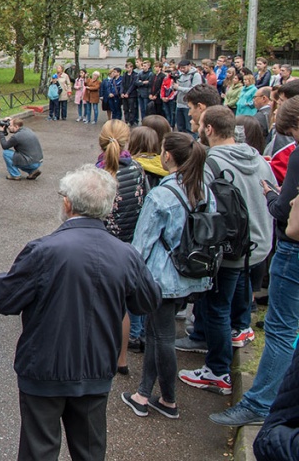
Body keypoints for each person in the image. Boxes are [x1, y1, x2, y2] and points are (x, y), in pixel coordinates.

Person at [0, 165, 160, 461]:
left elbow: (4, 298)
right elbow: (148, 300)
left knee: (38, 451)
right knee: (91, 450)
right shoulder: (125, 254)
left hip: (44, 368)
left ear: (68, 204)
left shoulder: (44, 250)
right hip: (96, 368)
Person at [211, 97, 299, 427]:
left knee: (280, 331)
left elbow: (284, 212)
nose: (290, 139)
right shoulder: (261, 158)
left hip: (291, 251)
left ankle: (260, 403)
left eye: (290, 131)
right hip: (266, 248)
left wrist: (272, 196)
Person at [176, 106, 275, 395]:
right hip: (258, 243)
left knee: (217, 305)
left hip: (232, 247)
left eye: (199, 124)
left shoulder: (210, 163)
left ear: (209, 129)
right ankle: (240, 327)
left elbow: (200, 205)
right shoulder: (255, 156)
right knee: (239, 286)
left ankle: (217, 371)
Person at [124, 132, 214, 420]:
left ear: (169, 156)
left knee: (162, 337)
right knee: (155, 333)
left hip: (162, 278)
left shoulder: (161, 195)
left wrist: (130, 279)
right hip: (191, 274)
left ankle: (169, 399)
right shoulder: (203, 189)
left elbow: (141, 244)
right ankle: (142, 393)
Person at [96, 120, 146, 376]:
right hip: (129, 245)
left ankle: (96, 354)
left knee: (97, 303)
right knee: (121, 305)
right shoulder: (138, 169)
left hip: (101, 245)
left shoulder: (97, 173)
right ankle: (121, 359)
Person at [0, 116, 43, 181]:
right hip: (38, 161)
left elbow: (4, 146)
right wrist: (9, 120)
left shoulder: (17, 137)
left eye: (10, 126)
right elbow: (15, 122)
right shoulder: (27, 130)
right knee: (22, 157)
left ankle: (15, 175)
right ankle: (32, 171)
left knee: (6, 153)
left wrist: (1, 132)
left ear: (16, 127)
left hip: (30, 162)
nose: (8, 127)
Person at [173, 60, 203, 132]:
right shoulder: (180, 75)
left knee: (190, 128)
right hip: (179, 104)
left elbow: (194, 89)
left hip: (189, 106)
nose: (182, 69)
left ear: (189, 66)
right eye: (180, 68)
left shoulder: (195, 75)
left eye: (183, 67)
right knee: (180, 127)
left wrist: (179, 88)